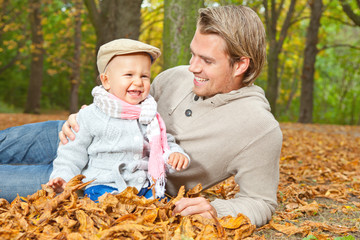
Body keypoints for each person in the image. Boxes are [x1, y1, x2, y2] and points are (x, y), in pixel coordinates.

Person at [0, 5, 282, 227]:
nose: (192, 67)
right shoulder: (175, 77)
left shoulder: (259, 128)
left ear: (240, 65)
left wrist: (217, 209)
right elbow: (123, 99)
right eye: (192, 54)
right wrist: (85, 114)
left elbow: (260, 201)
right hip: (75, 136)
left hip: (100, 182)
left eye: (207, 61)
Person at [48, 39, 190, 201]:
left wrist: (175, 155)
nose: (138, 82)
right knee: (106, 210)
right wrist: (63, 178)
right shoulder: (90, 115)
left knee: (159, 207)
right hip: (103, 184)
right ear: (106, 81)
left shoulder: (149, 115)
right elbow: (71, 154)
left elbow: (165, 144)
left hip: (142, 186)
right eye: (129, 75)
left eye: (144, 76)